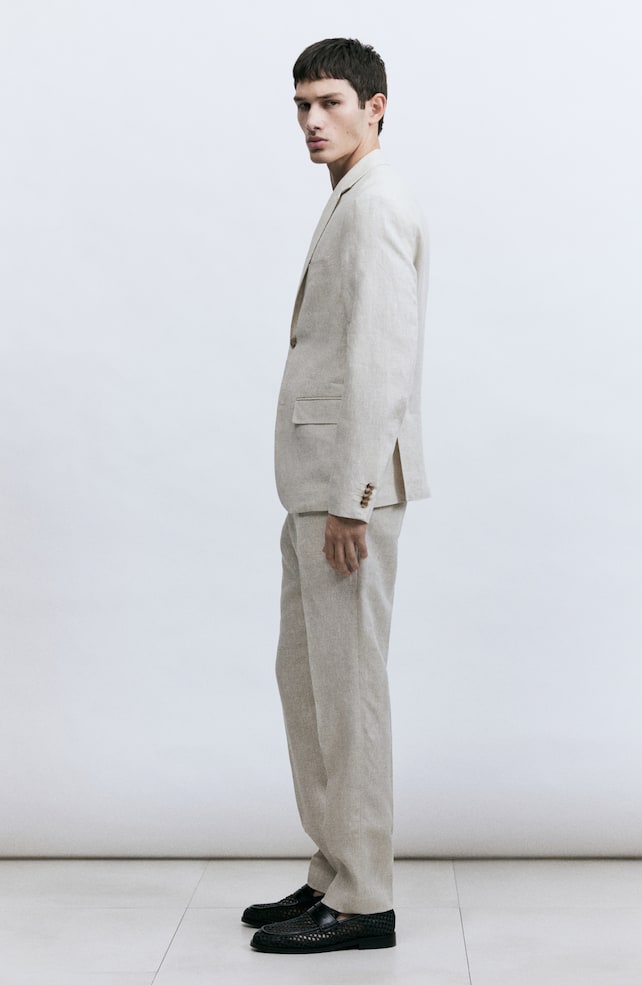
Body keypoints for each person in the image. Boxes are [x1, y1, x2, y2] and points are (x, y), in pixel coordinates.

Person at [243, 37, 430, 954]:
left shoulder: (377, 204)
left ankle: (363, 900)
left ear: (374, 106)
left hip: (347, 494)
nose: (312, 121)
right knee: (310, 686)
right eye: (301, 106)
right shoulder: (350, 197)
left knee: (348, 694)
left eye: (329, 103)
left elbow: (381, 359)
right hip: (317, 486)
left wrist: (354, 496)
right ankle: (332, 870)